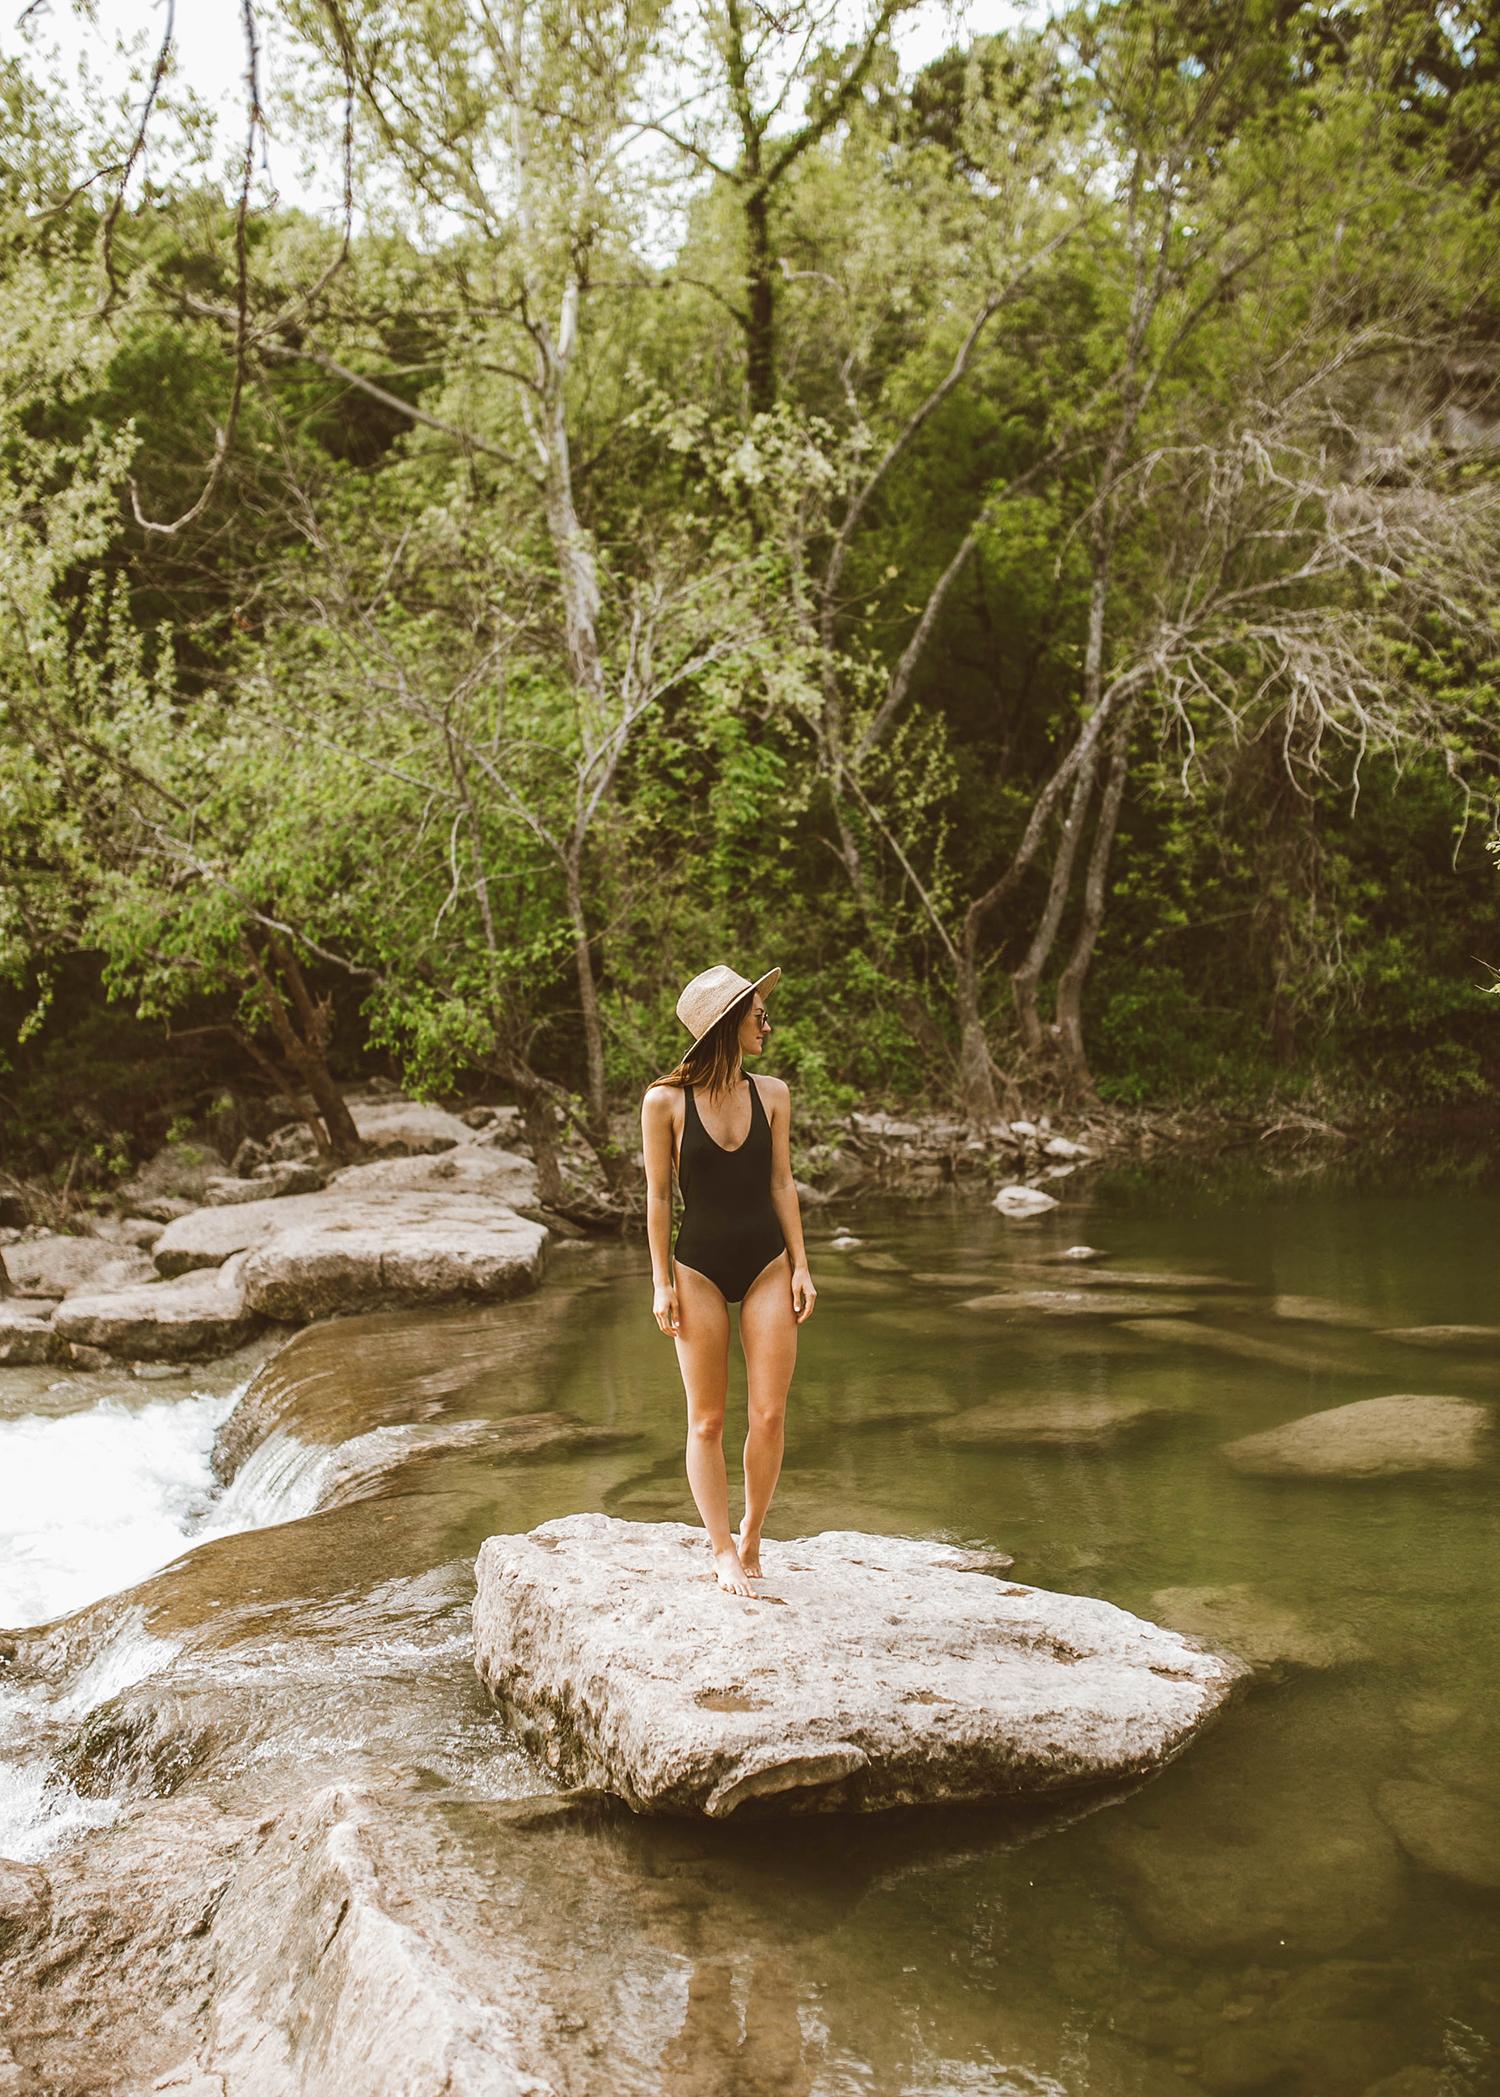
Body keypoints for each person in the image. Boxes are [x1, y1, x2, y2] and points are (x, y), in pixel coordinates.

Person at [641, 965, 817, 1595]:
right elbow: (659, 1198)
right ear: (726, 1023)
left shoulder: (773, 1093)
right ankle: (719, 1549)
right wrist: (661, 1281)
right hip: (697, 1270)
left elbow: (780, 1182)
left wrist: (801, 1264)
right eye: (757, 1014)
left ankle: (752, 1532)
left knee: (769, 1415)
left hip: (767, 1263)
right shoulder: (664, 1102)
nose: (767, 1023)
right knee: (707, 1422)